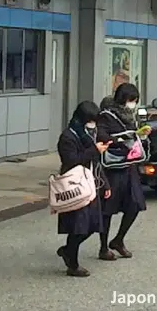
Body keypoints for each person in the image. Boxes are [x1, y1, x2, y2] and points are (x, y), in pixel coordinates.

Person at [56, 100, 110, 277]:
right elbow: (71, 161)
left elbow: (96, 163)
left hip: (91, 184)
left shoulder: (88, 135)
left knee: (93, 224)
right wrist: (94, 150)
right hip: (75, 186)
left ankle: (68, 250)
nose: (93, 124)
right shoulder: (68, 136)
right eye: (90, 120)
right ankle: (73, 263)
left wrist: (105, 183)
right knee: (78, 226)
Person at [97, 83, 148, 260]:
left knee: (135, 204)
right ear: (122, 99)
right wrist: (122, 138)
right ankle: (103, 247)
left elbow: (134, 135)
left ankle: (118, 240)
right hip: (113, 168)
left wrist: (141, 135)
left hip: (129, 165)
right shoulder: (106, 115)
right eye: (131, 100)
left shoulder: (132, 115)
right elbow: (101, 136)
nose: (133, 104)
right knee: (108, 209)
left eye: (135, 100)